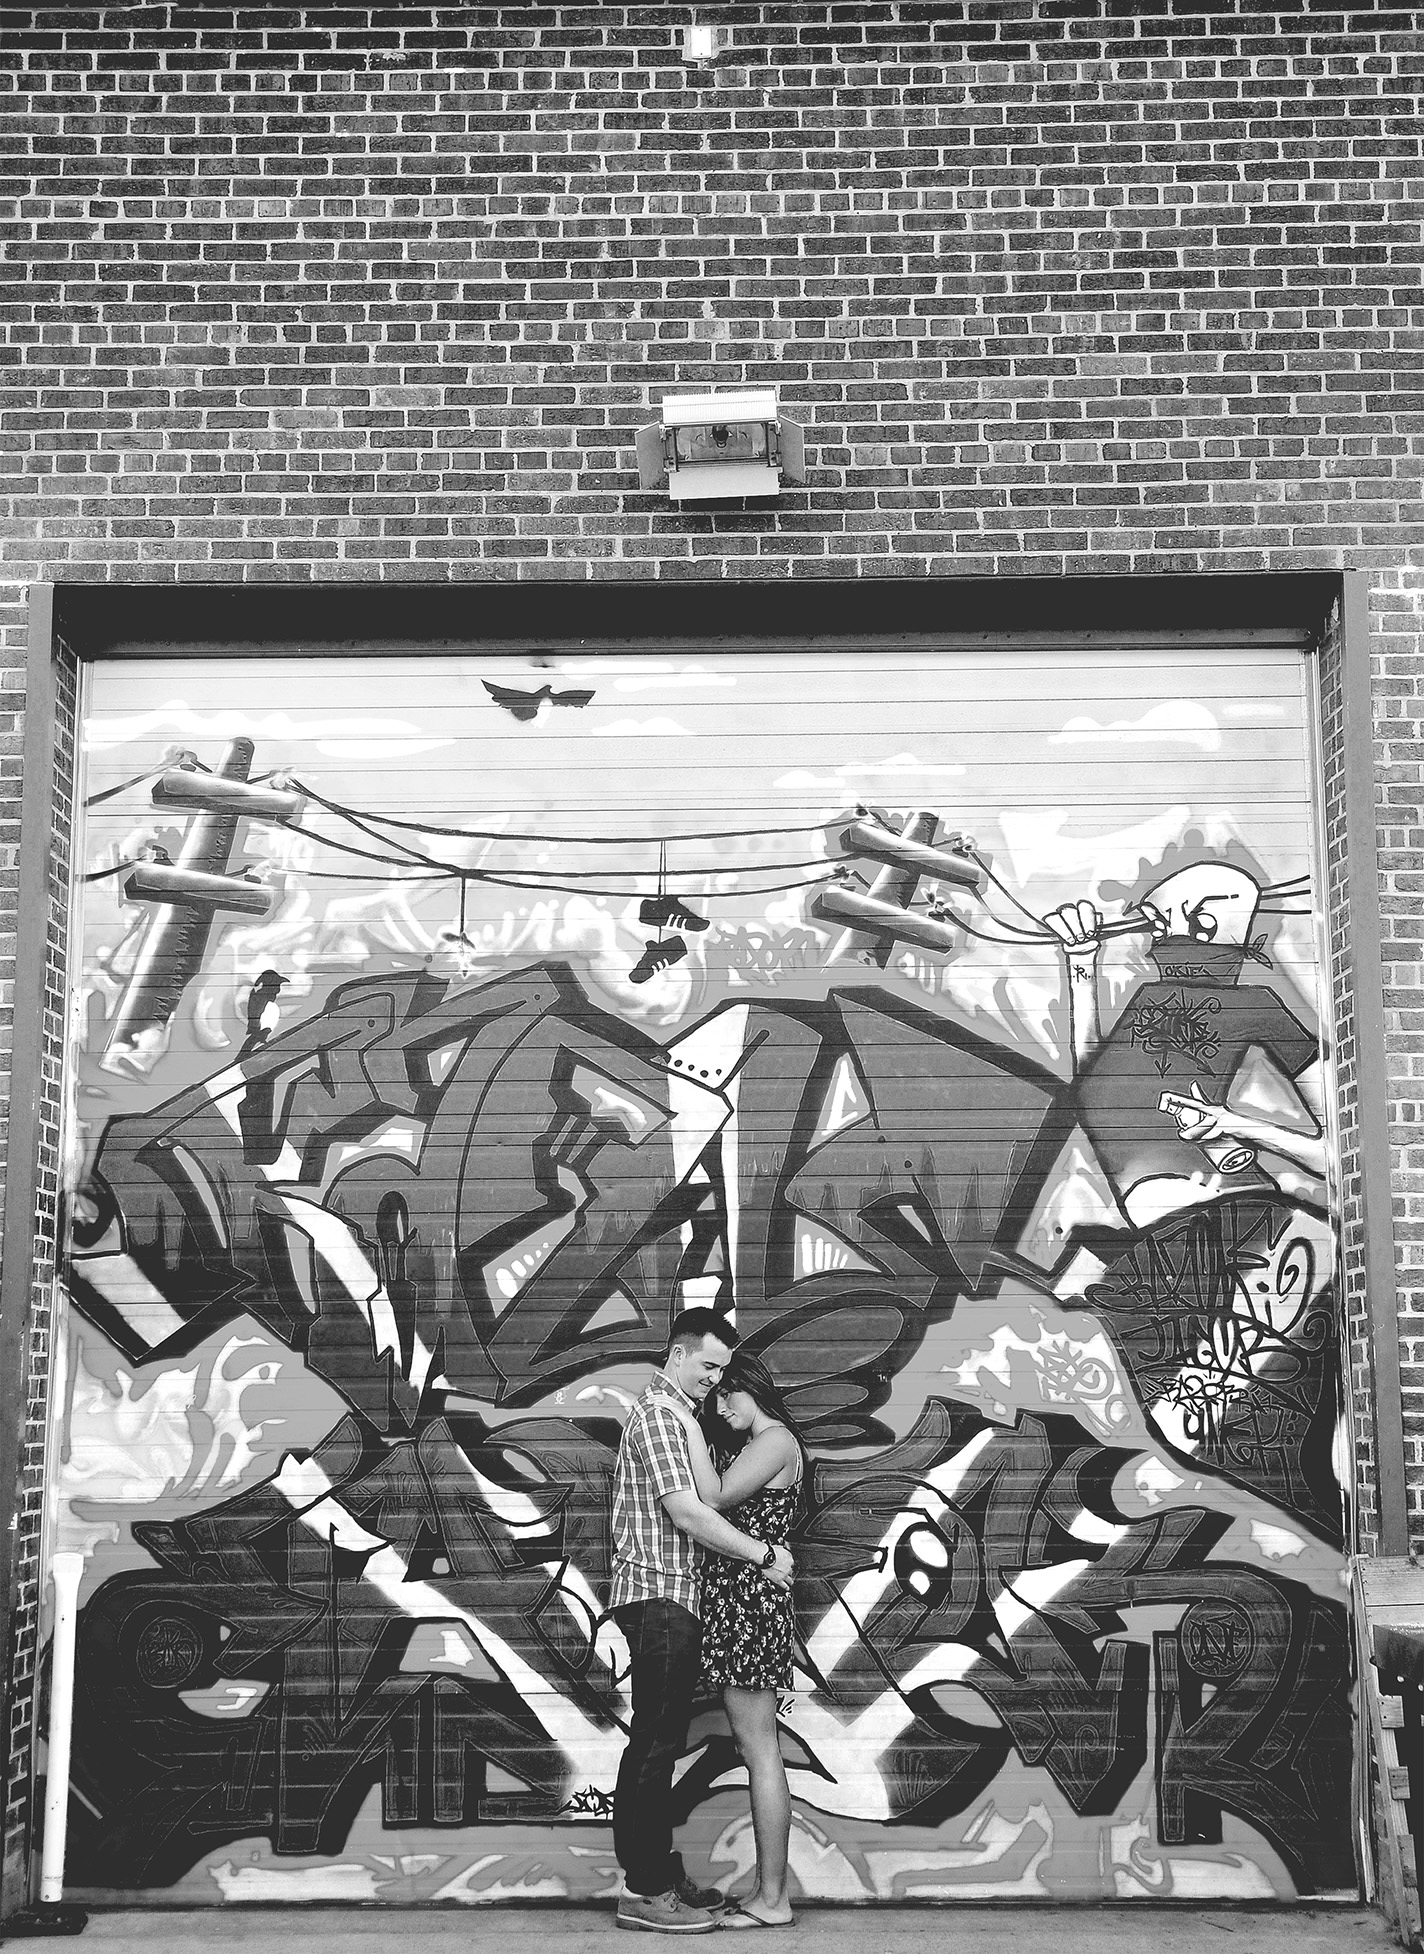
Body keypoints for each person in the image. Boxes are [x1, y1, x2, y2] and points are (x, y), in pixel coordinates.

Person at [610, 1310, 795, 1936]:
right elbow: (690, 1511)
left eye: (724, 1374)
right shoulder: (664, 1416)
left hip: (686, 1599)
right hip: (661, 1592)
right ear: (677, 1353)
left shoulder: (684, 1418)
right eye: (709, 1367)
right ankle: (645, 1888)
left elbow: (709, 1500)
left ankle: (657, 1876)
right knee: (655, 1744)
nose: (714, 1382)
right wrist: (763, 1555)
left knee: (663, 1740)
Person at [661, 1351, 806, 1931]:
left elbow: (715, 1497)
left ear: (755, 1388)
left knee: (759, 1749)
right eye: (715, 1394)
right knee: (755, 1748)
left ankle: (773, 1899)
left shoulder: (775, 1440)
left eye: (730, 1392)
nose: (721, 1406)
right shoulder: (758, 1442)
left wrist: (686, 1422)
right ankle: (768, 1894)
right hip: (739, 1606)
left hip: (750, 1608)